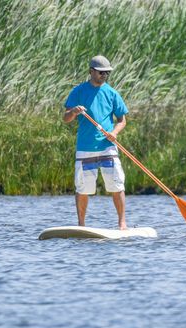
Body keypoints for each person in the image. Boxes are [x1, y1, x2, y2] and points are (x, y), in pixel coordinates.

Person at [63, 55, 128, 230]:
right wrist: (74, 112)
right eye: (101, 73)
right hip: (85, 148)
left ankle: (122, 223)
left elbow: (122, 120)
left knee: (116, 185)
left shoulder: (112, 93)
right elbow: (66, 118)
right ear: (91, 71)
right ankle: (82, 225)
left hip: (107, 148)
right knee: (83, 189)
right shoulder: (78, 91)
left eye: (107, 73)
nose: (104, 76)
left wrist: (114, 132)